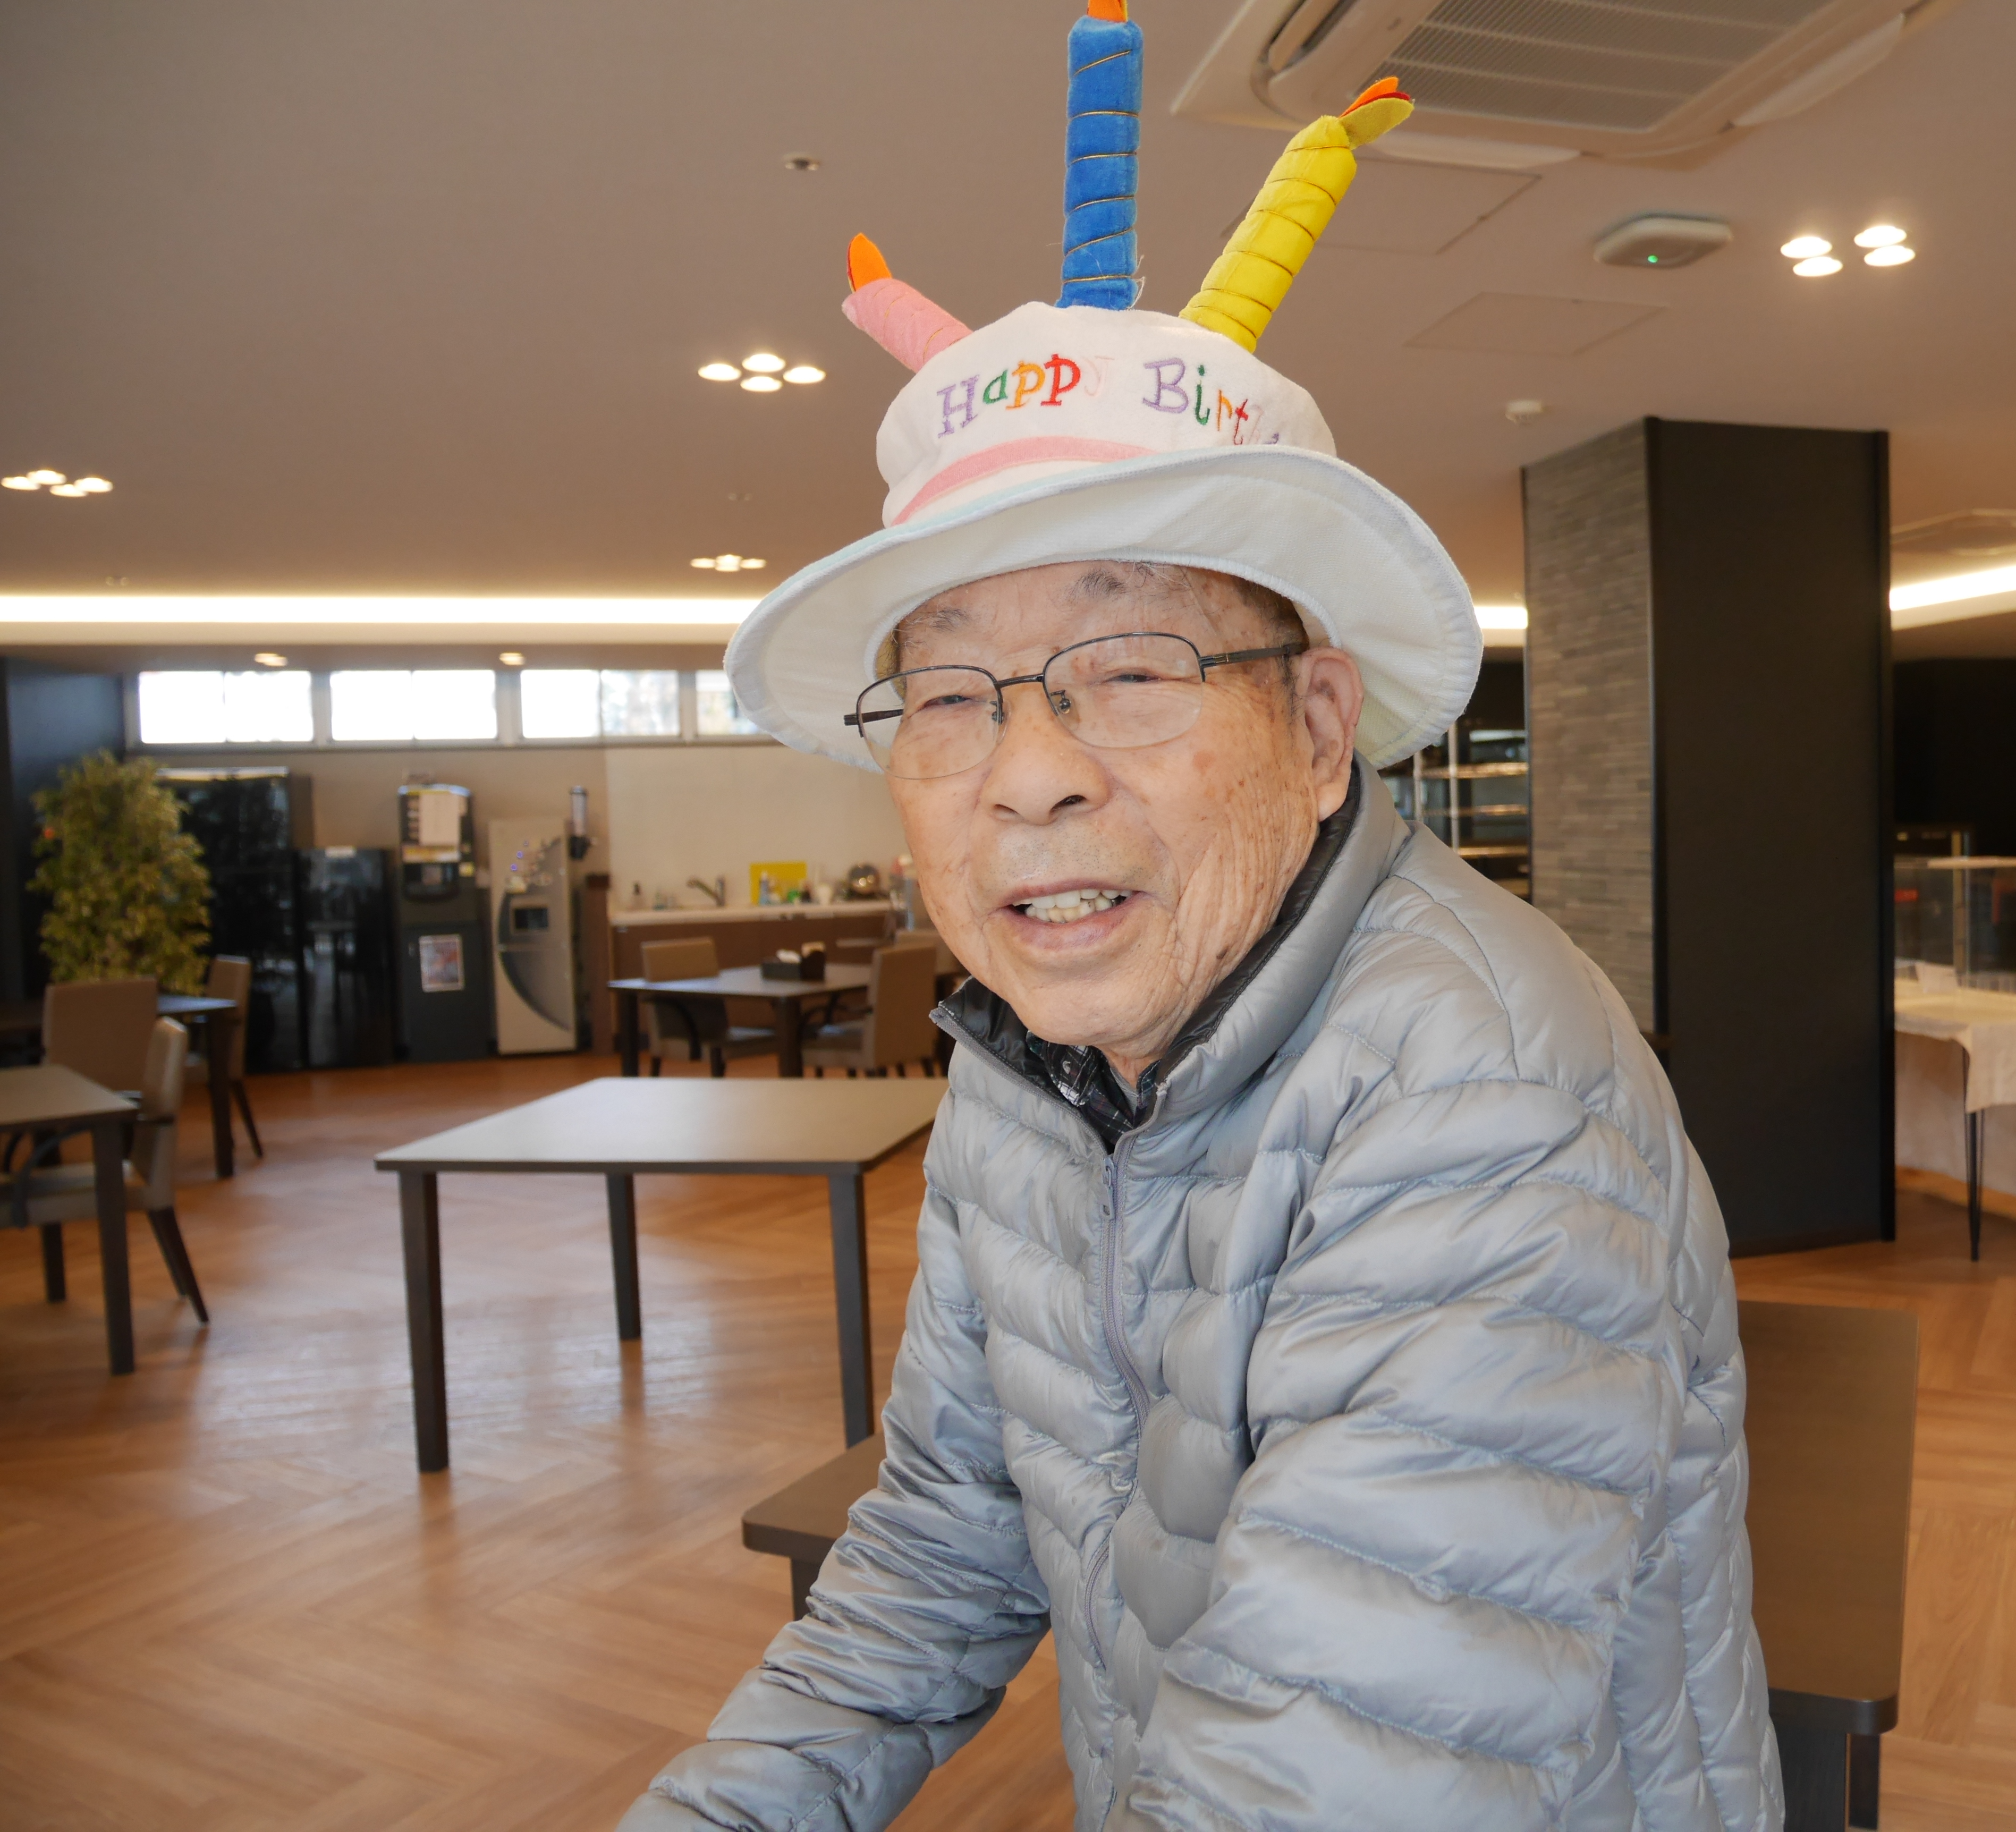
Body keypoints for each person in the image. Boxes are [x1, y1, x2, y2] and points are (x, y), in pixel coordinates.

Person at [624, 8, 1778, 1827]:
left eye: (1134, 666)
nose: (1028, 776)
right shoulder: (1030, 1060)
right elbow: (942, 1545)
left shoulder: (1482, 1100)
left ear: (1317, 729)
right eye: (949, 697)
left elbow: (1324, 1779)